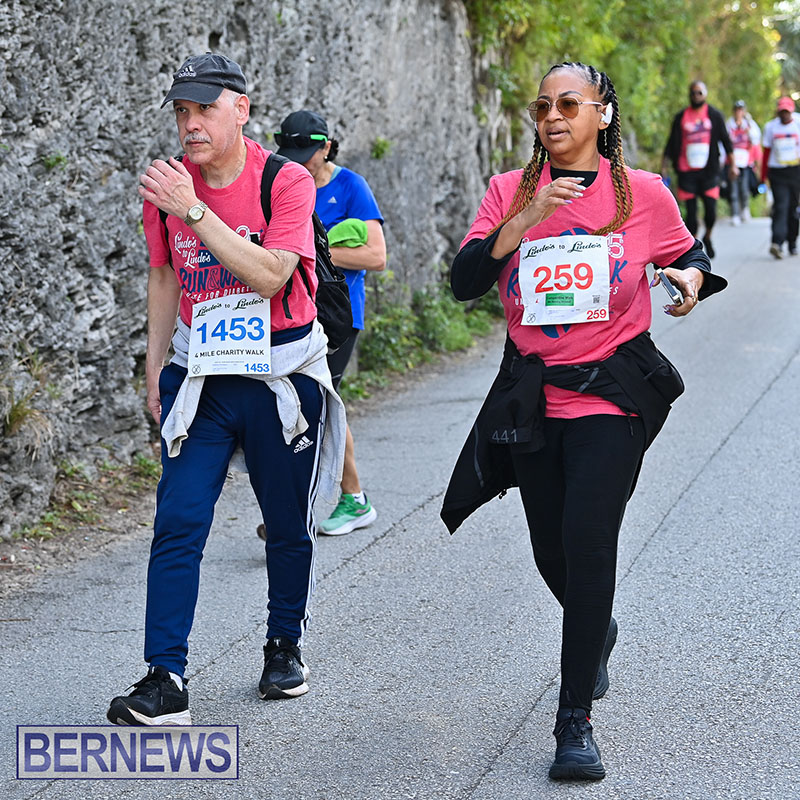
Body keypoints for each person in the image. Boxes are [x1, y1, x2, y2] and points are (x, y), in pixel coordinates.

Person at [441, 61, 726, 781]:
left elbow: (692, 255)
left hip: (611, 396)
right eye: (543, 106)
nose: (553, 117)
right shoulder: (509, 190)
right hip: (534, 398)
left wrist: (688, 280)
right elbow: (465, 281)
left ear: (603, 114)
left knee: (588, 541)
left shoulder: (643, 193)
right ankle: (596, 625)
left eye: (570, 104)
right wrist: (526, 218)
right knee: (551, 552)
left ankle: (574, 722)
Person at [106, 53, 346, 726]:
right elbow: (163, 277)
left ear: (241, 109)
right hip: (202, 378)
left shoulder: (284, 180)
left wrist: (193, 211)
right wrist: (155, 367)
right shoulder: (167, 186)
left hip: (280, 376)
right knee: (178, 520)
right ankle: (166, 678)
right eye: (182, 111)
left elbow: (271, 275)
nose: (191, 124)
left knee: (286, 522)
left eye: (205, 109)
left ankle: (284, 645)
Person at [271, 110, 387, 536]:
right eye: (291, 152)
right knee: (290, 404)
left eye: (306, 153)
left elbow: (376, 256)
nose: (298, 161)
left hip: (337, 315)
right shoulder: (281, 181)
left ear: (326, 147)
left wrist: (309, 251)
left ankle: (351, 499)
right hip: (288, 312)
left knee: (318, 400)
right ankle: (292, 507)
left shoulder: (350, 186)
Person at [662, 80, 737, 258]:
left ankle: (708, 237)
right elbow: (671, 143)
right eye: (693, 93)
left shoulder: (714, 115)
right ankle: (694, 249)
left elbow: (726, 142)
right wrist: (664, 166)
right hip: (686, 172)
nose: (696, 96)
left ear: (705, 94)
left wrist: (733, 165)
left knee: (711, 211)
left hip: (709, 172)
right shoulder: (681, 117)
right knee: (691, 214)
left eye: (699, 92)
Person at [761, 96, 800, 259]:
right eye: (781, 112)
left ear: (791, 111)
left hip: (795, 171)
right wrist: (763, 176)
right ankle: (777, 243)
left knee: (793, 209)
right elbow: (766, 152)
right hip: (777, 173)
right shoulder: (771, 127)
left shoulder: (798, 123)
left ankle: (792, 242)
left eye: (787, 112)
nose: (784, 115)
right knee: (781, 206)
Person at [726, 100, 761, 225]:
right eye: (737, 110)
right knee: (733, 189)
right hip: (732, 162)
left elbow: (756, 140)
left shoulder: (749, 124)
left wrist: (748, 126)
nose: (739, 112)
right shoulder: (729, 125)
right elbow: (725, 142)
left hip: (746, 162)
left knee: (744, 188)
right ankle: (735, 213)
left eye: (741, 110)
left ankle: (744, 209)